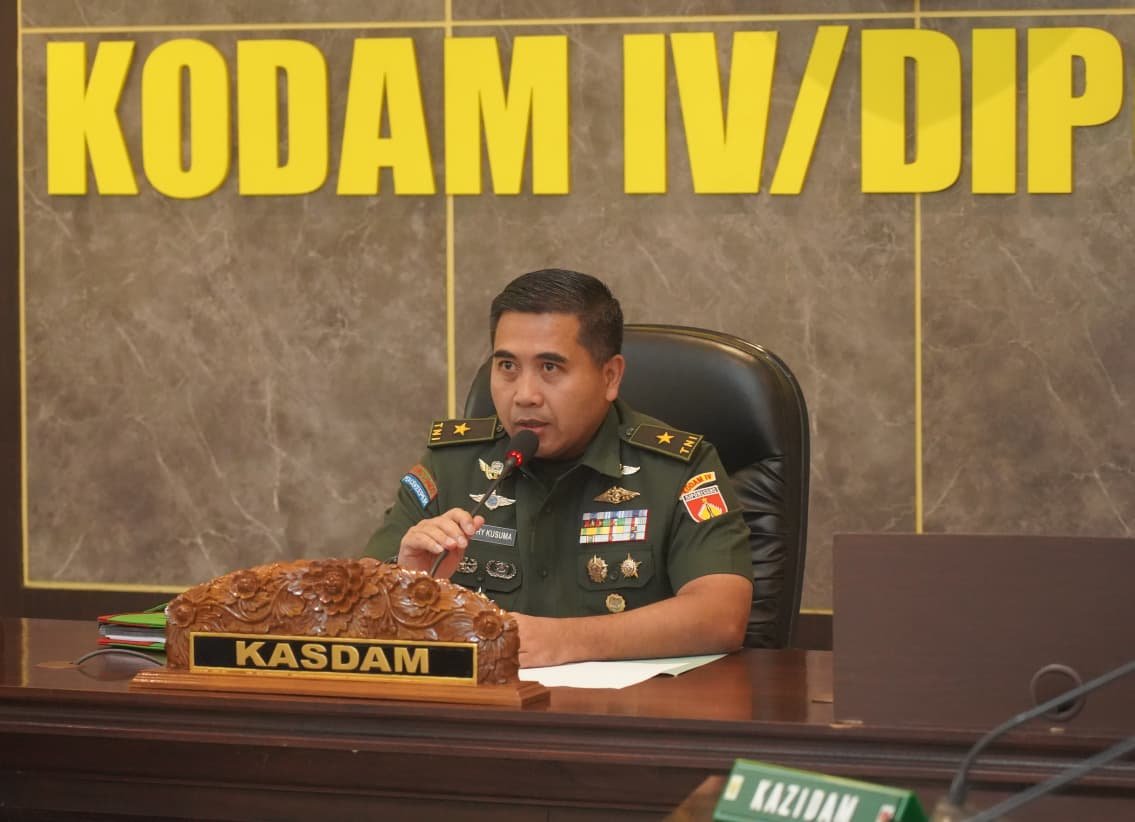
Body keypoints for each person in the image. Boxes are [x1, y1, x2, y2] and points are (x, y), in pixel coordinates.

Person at [365, 269, 753, 667]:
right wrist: (408, 582)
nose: (525, 395)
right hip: (485, 702)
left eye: (550, 368)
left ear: (610, 376)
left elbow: (721, 616)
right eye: (507, 366)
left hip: (628, 705)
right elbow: (354, 610)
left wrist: (566, 640)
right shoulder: (452, 465)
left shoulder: (676, 470)